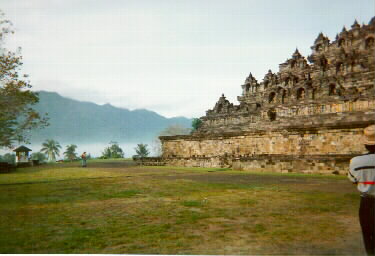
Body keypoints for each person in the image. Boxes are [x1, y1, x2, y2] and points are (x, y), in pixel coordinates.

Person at [348, 124, 375, 255]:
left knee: (367, 233)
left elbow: (353, 180)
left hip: (366, 202)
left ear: (365, 144)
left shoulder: (356, 162)